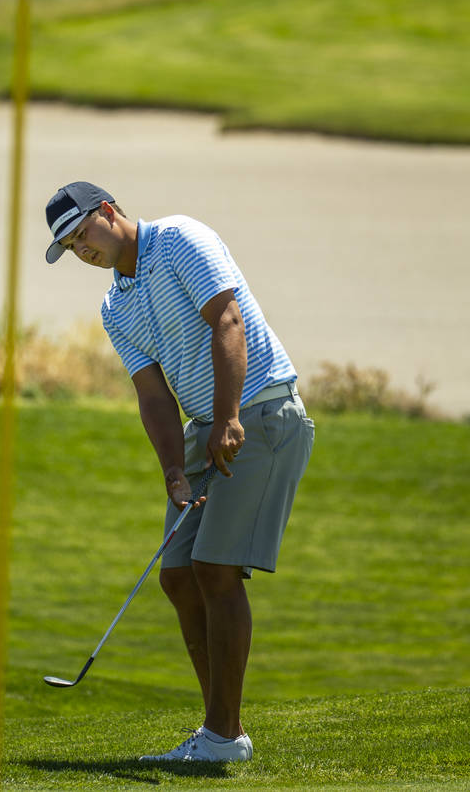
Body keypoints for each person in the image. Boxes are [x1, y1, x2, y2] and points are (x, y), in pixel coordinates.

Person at [44, 180, 314, 764]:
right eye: (70, 248)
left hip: (262, 411)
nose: (82, 251)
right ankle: (223, 731)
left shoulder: (181, 238)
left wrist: (227, 418)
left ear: (108, 212)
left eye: (82, 234)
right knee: (177, 576)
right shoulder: (115, 305)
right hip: (202, 427)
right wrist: (173, 470)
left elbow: (228, 322)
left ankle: (220, 739)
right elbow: (152, 394)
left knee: (215, 568)